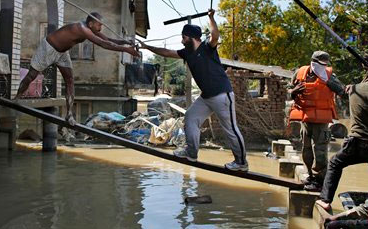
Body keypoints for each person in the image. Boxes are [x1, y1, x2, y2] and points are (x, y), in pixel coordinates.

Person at [140, 9, 248, 171]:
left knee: (230, 128)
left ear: (191, 37)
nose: (182, 40)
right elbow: (166, 52)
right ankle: (191, 153)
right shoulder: (187, 53)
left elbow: (215, 36)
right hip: (206, 97)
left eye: (183, 37)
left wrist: (211, 18)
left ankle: (241, 163)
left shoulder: (207, 47)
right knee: (190, 117)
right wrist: (147, 47)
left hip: (221, 94)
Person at [15, 12, 139, 125]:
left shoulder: (91, 28)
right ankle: (17, 98)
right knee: (32, 75)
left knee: (70, 80)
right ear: (90, 24)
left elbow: (108, 40)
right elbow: (103, 44)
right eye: (99, 25)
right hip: (48, 48)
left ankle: (69, 115)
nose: (100, 28)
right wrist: (126, 50)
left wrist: (125, 43)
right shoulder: (81, 28)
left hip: (62, 53)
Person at [316, 57, 368, 214]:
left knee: (335, 164)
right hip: (359, 141)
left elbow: (337, 87)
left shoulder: (355, 89)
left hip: (357, 143)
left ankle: (325, 201)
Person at [288, 51, 345, 191]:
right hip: (306, 118)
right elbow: (289, 89)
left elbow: (342, 92)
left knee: (320, 151)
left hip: (321, 120)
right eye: (319, 64)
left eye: (325, 64)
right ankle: (310, 175)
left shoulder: (330, 76)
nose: (322, 67)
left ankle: (320, 181)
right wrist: (293, 91)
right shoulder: (300, 73)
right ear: (312, 62)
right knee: (306, 149)